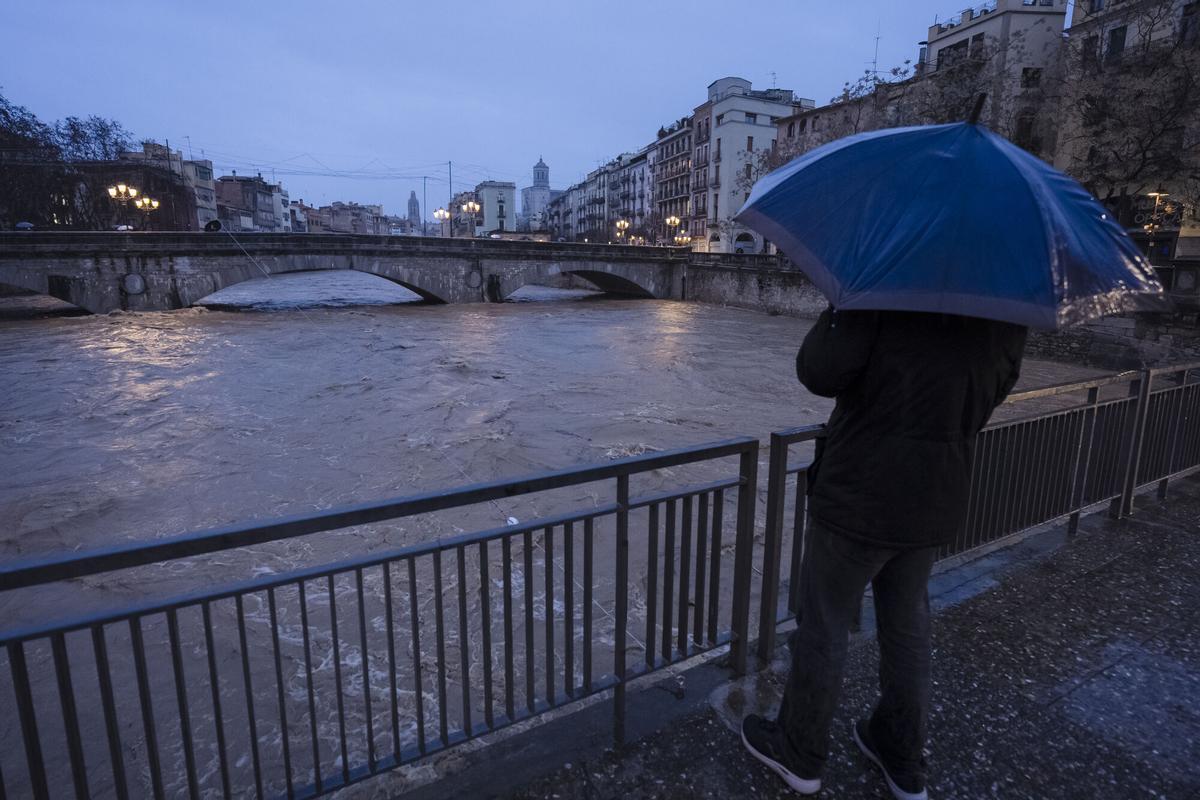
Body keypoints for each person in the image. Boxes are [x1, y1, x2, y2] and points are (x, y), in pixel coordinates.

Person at [740, 306, 1027, 800]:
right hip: (935, 496)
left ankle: (800, 753)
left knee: (825, 626)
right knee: (908, 627)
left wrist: (839, 309)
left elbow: (817, 371)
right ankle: (901, 755)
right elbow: (995, 391)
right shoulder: (1003, 310)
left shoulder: (885, 290)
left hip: (859, 495)